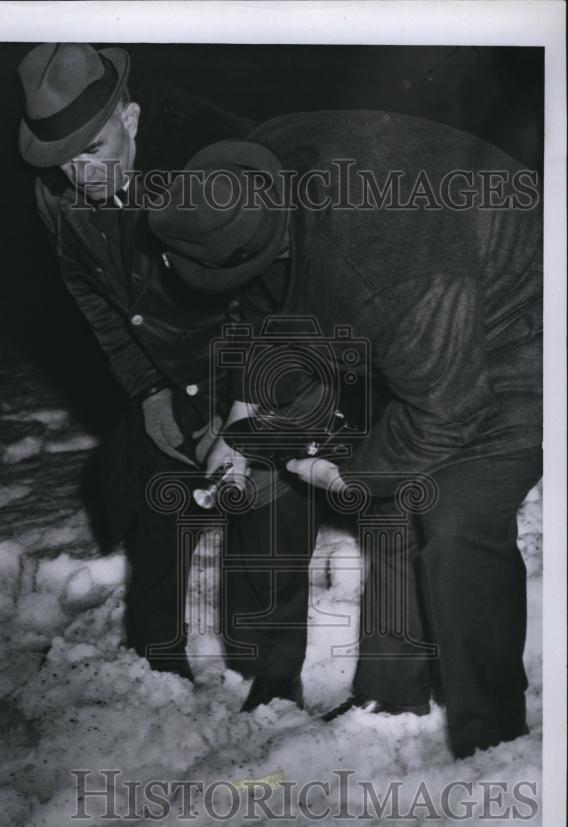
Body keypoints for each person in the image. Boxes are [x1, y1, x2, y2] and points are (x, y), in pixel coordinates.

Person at [148, 111, 543, 758]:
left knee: (456, 516)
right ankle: (391, 700)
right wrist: (244, 421)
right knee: (394, 493)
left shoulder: (393, 271)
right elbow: (268, 307)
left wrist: (349, 473)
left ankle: (493, 745)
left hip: (528, 317)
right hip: (428, 311)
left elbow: (446, 412)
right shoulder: (255, 165)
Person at [17, 44, 318, 710]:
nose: (81, 171)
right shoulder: (58, 194)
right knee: (156, 491)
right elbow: (90, 292)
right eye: (64, 157)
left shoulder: (216, 167)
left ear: (131, 114)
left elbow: (275, 301)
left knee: (268, 491)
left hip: (253, 351)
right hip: (163, 361)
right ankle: (159, 659)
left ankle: (275, 677)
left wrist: (242, 409)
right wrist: (148, 389)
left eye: (94, 146)